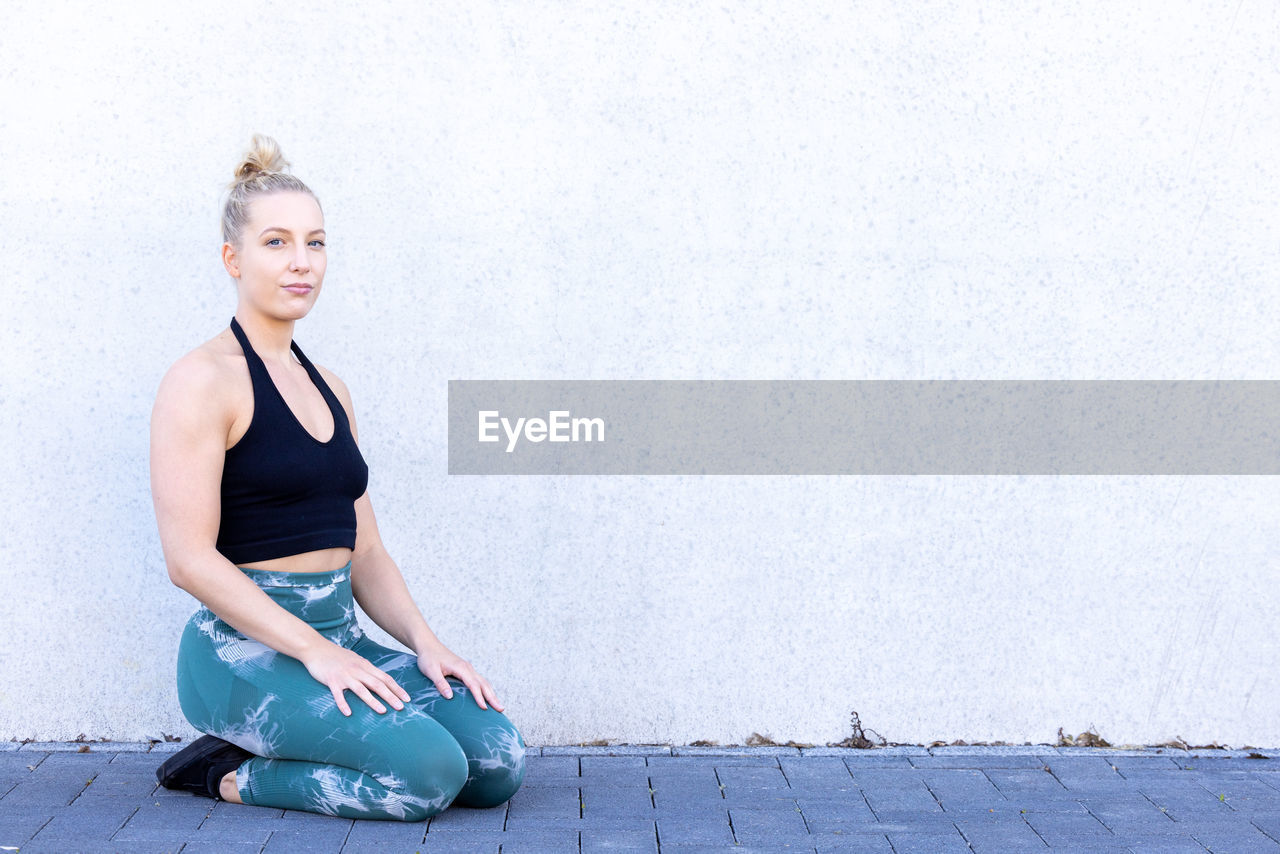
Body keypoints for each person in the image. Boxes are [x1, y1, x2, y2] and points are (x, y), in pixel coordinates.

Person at [149, 134, 525, 820]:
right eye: (277, 243)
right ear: (232, 258)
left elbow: (368, 551)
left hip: (337, 636)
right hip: (243, 655)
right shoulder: (200, 383)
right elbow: (188, 561)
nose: (301, 263)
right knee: (428, 775)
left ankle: (309, 740)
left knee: (498, 762)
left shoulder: (331, 389)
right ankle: (231, 774)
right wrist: (317, 654)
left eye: (316, 243)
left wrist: (428, 646)